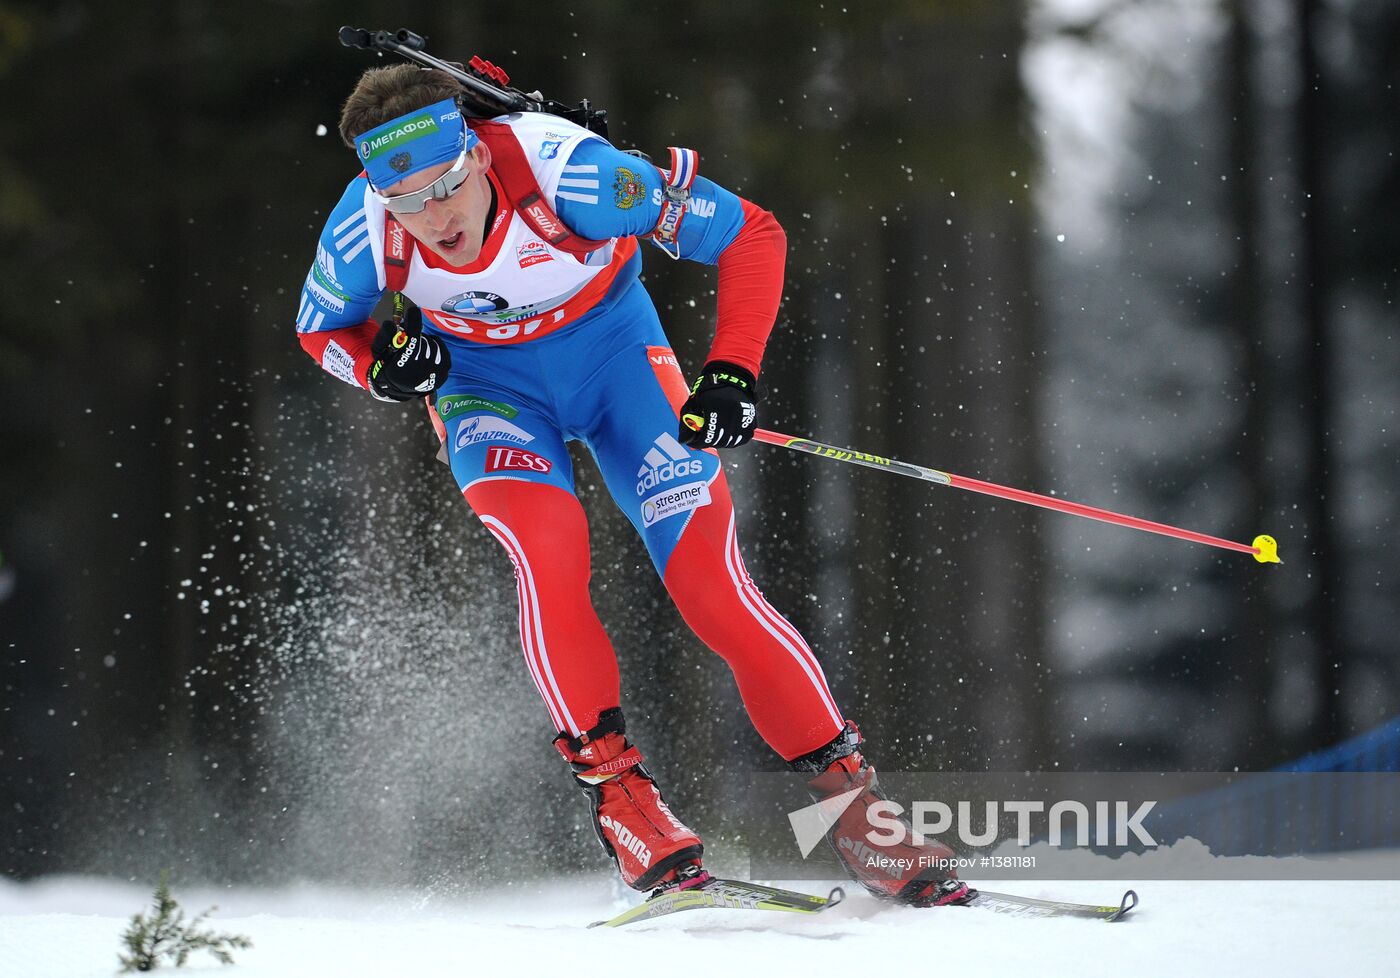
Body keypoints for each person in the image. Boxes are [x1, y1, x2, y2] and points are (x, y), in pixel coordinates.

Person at [295, 62, 971, 907]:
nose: (432, 219)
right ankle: (623, 803)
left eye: (445, 186)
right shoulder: (365, 229)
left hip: (616, 361)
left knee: (710, 587)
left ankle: (855, 807)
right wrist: (384, 368)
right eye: (404, 201)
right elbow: (320, 330)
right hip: (484, 391)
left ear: (475, 153)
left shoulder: (569, 172)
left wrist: (731, 373)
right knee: (548, 554)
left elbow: (750, 234)